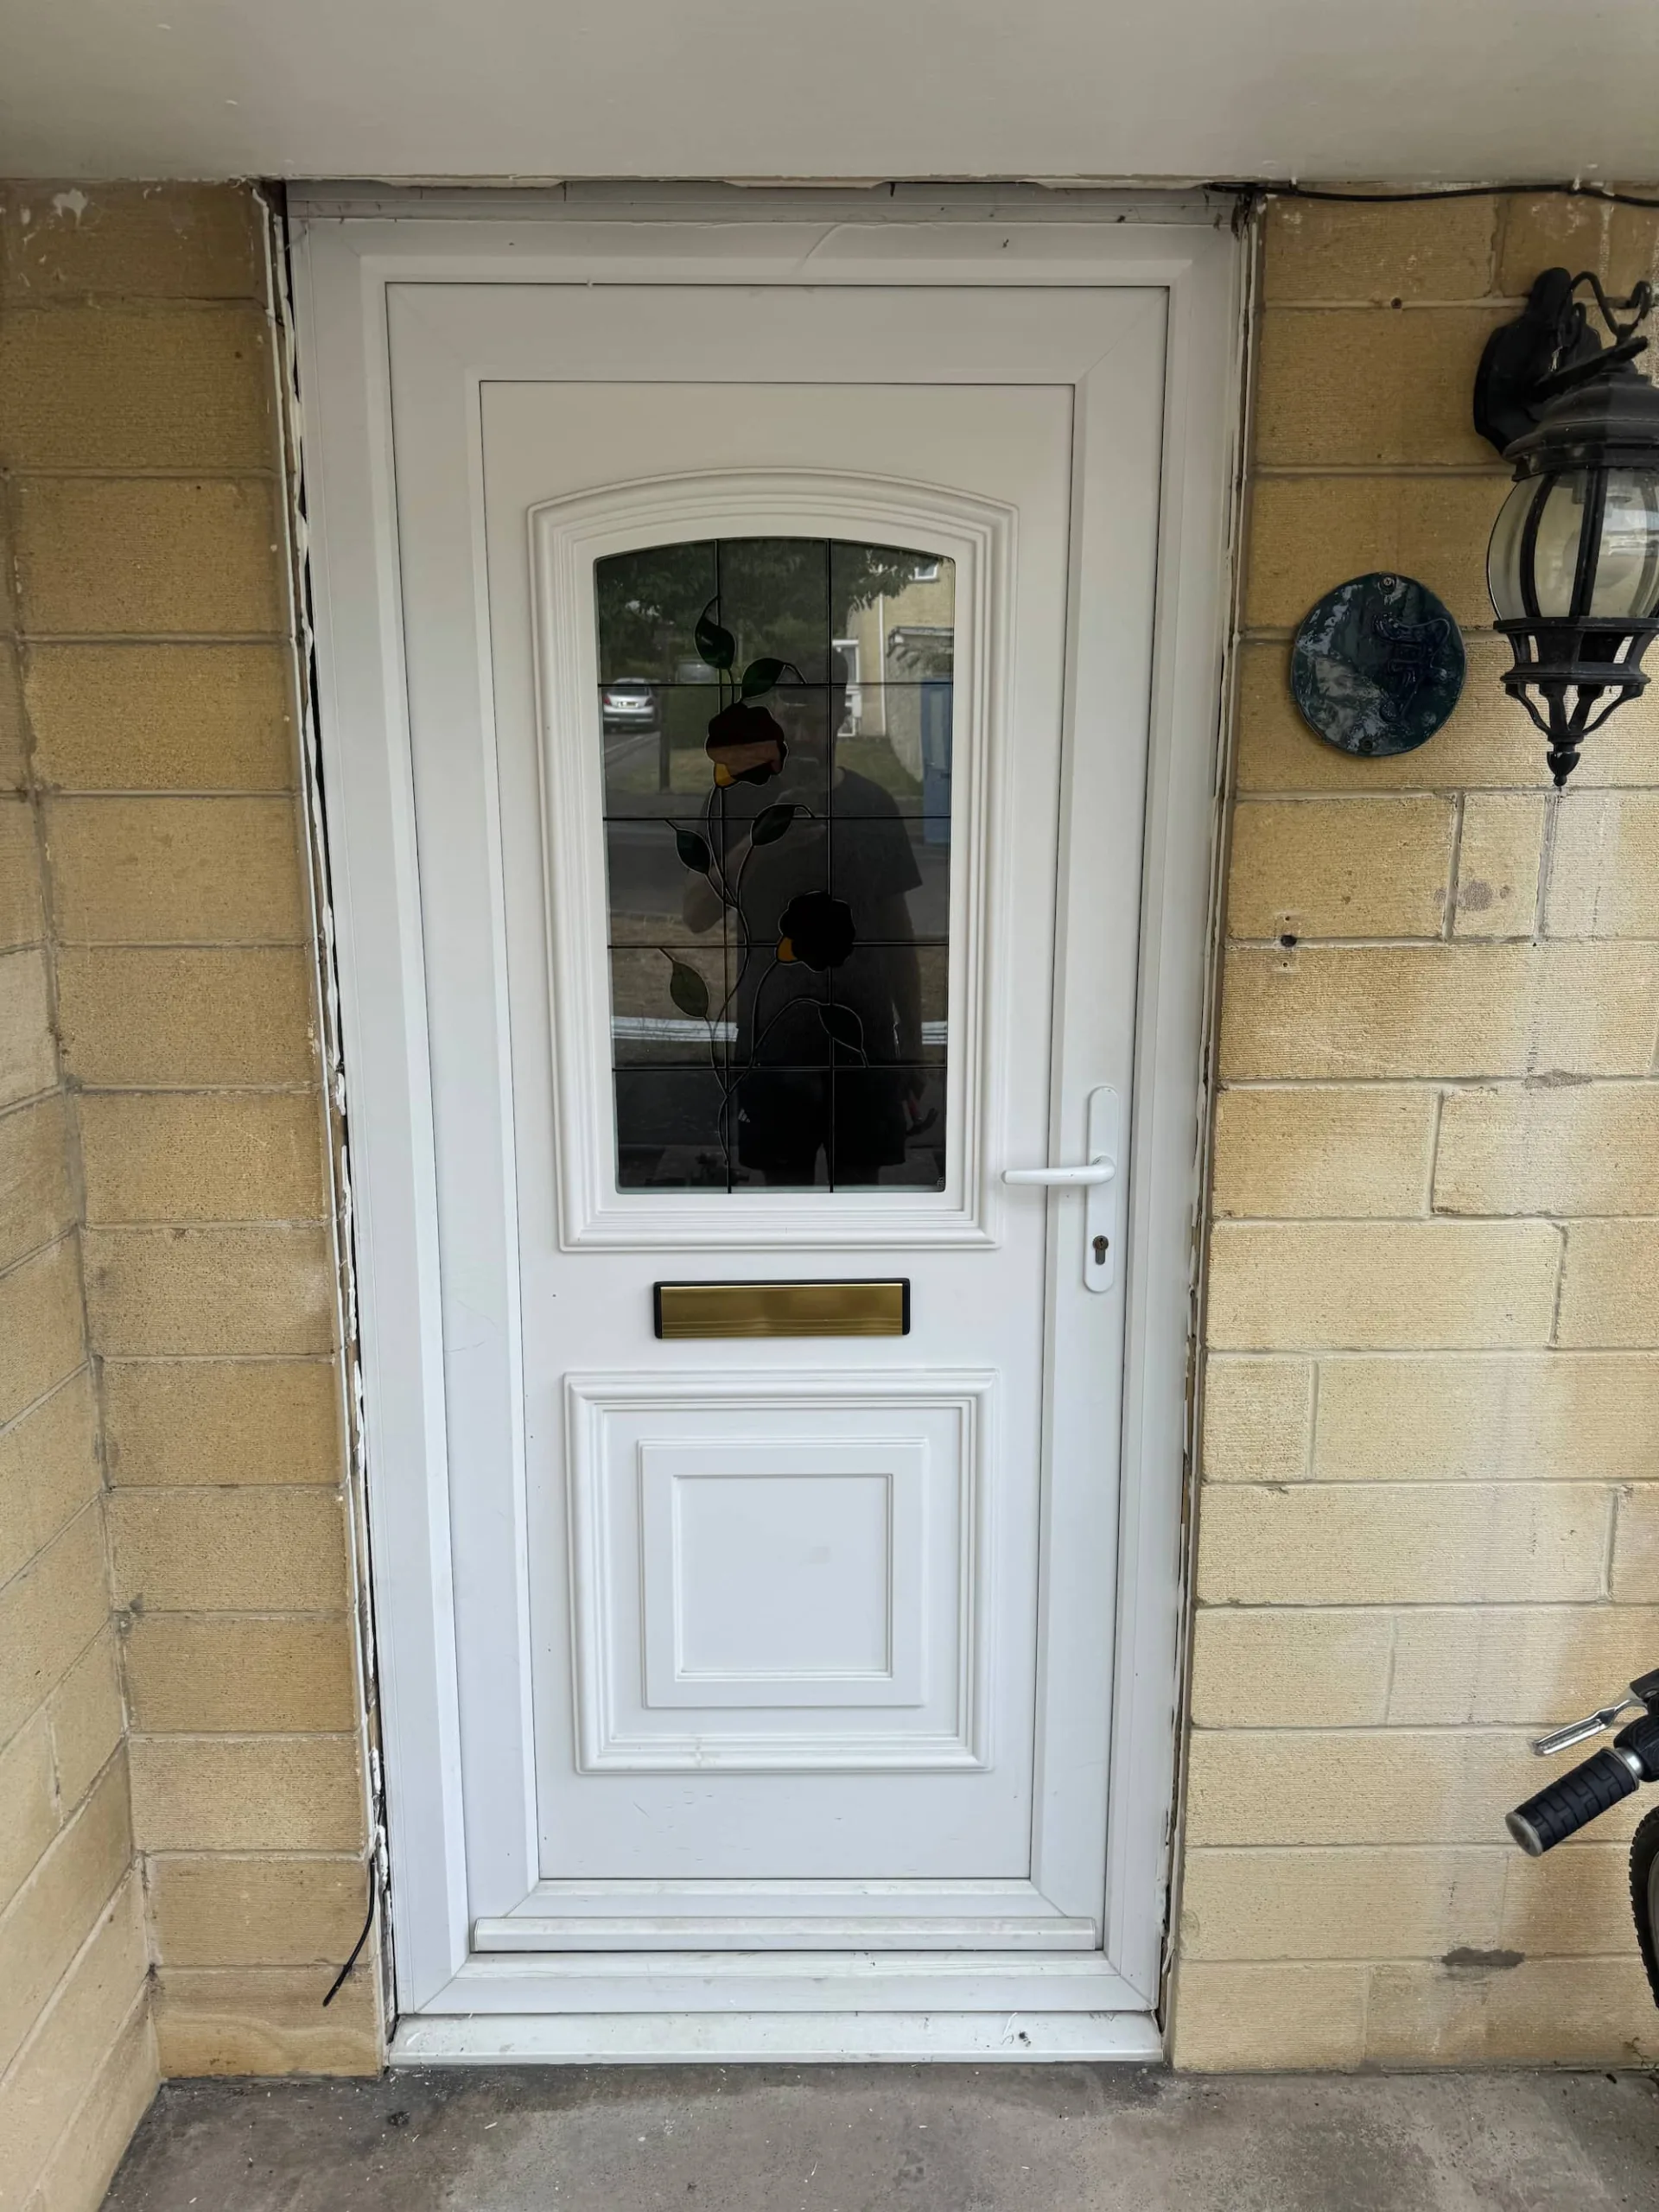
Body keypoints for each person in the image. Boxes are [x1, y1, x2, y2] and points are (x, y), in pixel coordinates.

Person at [683, 658, 927, 1186]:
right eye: (791, 721)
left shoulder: (874, 806)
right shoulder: (735, 800)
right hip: (774, 1041)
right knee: (783, 1208)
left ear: (840, 715)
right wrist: (758, 844)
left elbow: (897, 937)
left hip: (864, 1041)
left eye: (815, 722)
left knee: (860, 1201)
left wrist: (912, 1040)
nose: (802, 736)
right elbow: (695, 914)